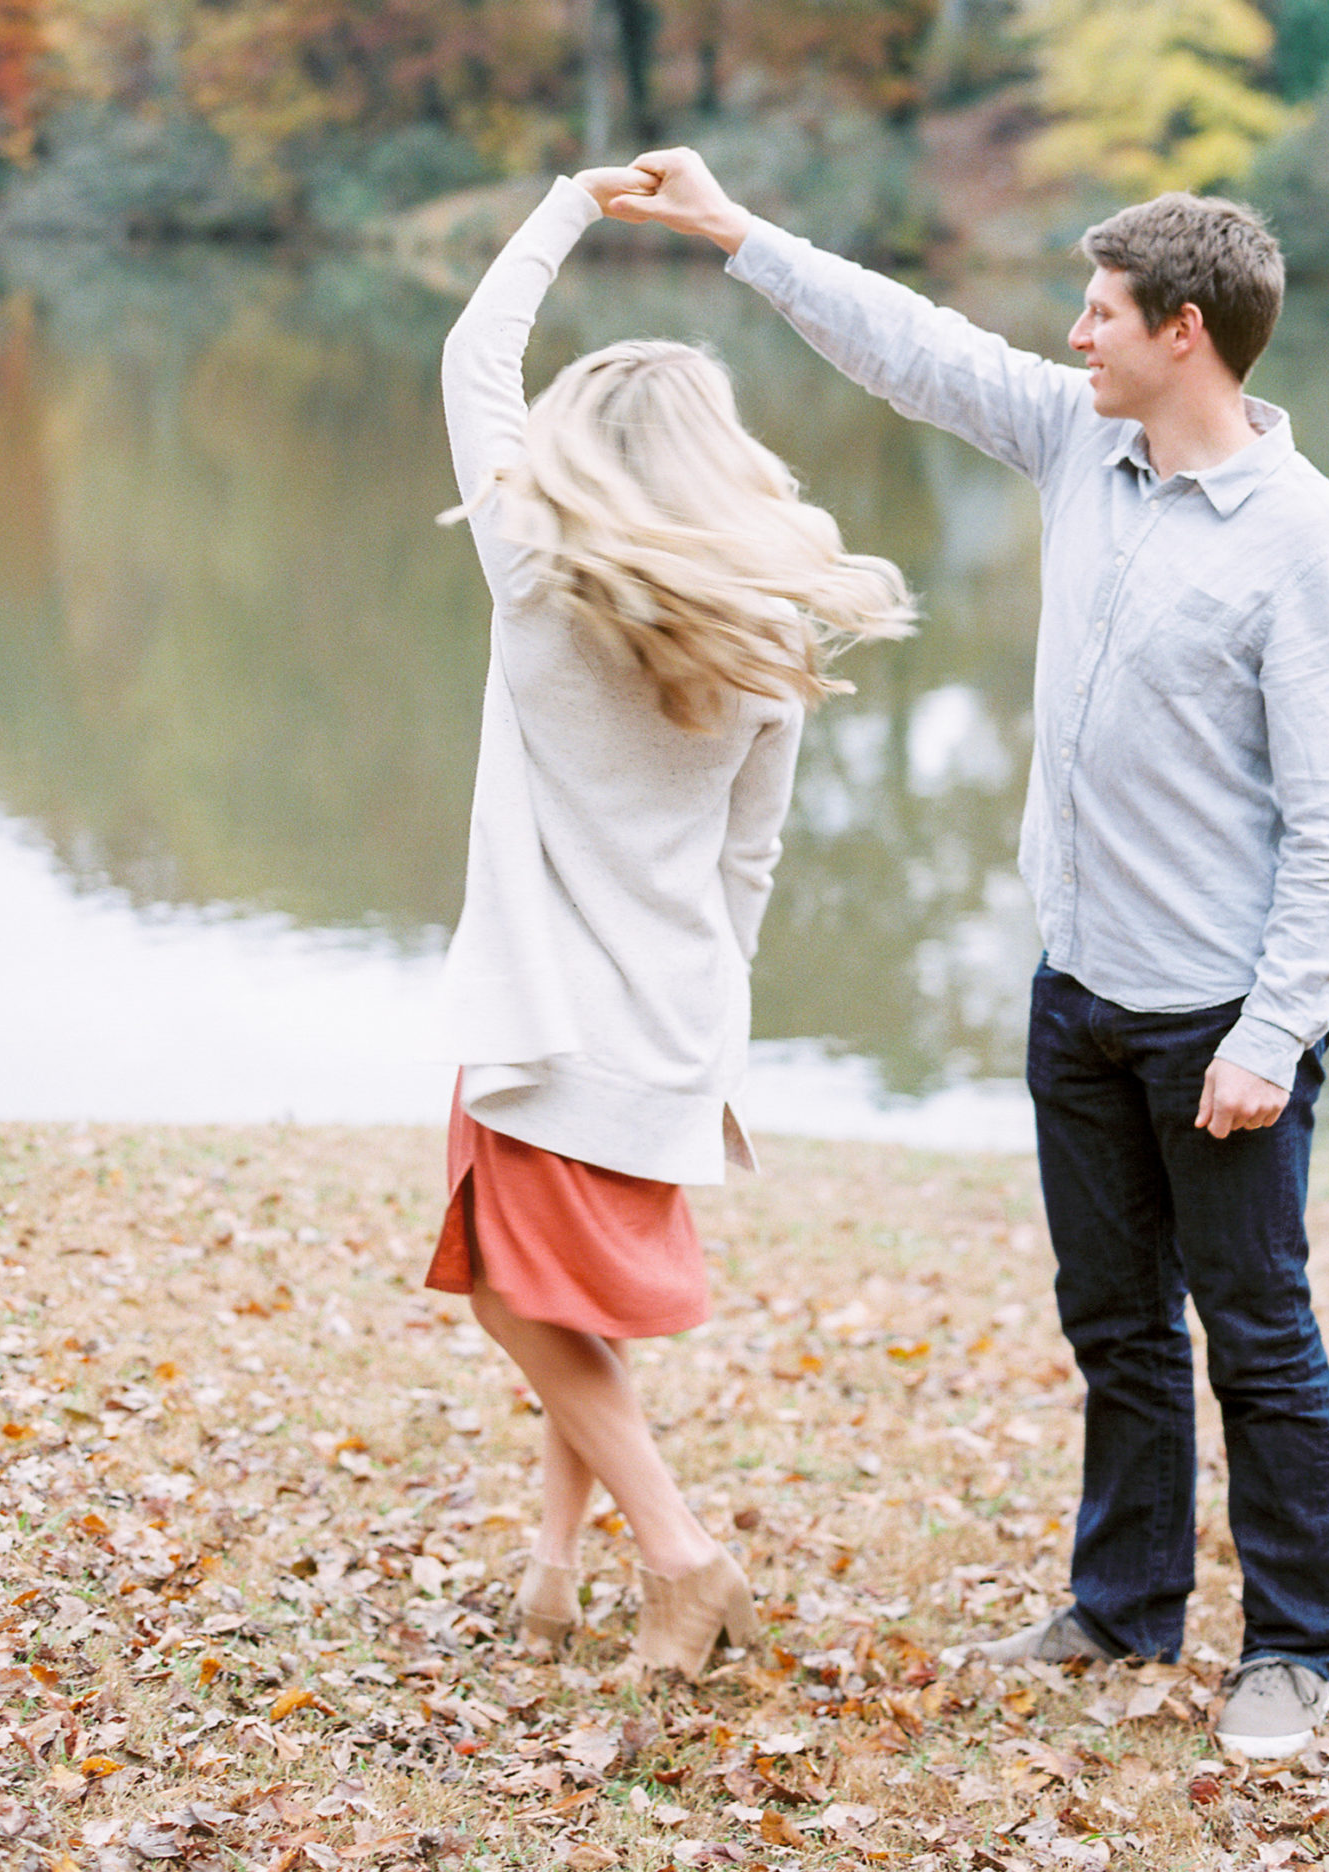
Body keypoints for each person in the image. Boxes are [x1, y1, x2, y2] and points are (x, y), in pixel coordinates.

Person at [610, 149, 1329, 1759]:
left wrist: (1272, 1034)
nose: (1072, 335)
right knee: (1113, 1323)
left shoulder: (1307, 544)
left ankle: (1293, 1650)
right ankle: (1123, 1610)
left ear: (1186, 331)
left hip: (1218, 1020)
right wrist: (737, 230)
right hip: (1078, 986)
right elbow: (918, 347)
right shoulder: (1075, 446)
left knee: (1257, 1333)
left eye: (1099, 313)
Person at [421, 165, 914, 1680]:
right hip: (671, 1016)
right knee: (571, 1303)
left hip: (542, 1012)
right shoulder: (770, 635)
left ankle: (684, 1560)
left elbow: (470, 360)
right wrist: (712, 1027)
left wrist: (570, 204)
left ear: (580, 453)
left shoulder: (533, 568)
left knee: (514, 1296)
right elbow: (746, 868)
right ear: (720, 462)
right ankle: (556, 1570)